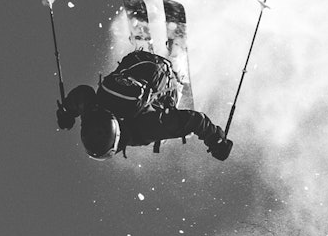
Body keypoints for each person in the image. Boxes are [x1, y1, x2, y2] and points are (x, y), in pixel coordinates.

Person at [56, 49, 233, 161]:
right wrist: (67, 111)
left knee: (163, 128)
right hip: (135, 59)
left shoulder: (143, 130)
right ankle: (158, 75)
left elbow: (194, 120)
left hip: (164, 72)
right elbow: (82, 94)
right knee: (147, 102)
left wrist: (216, 140)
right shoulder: (94, 110)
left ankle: (176, 77)